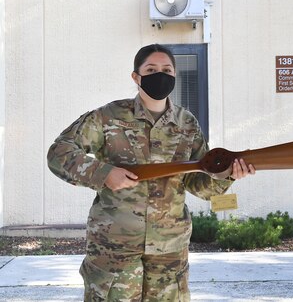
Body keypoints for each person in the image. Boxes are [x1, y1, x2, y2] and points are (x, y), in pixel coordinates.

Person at [47, 43, 256, 301]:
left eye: (167, 69)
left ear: (174, 75)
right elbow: (59, 153)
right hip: (115, 247)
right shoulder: (108, 116)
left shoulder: (187, 123)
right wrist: (103, 173)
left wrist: (230, 174)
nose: (160, 74)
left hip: (170, 248)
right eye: (151, 69)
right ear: (136, 76)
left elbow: (199, 184)